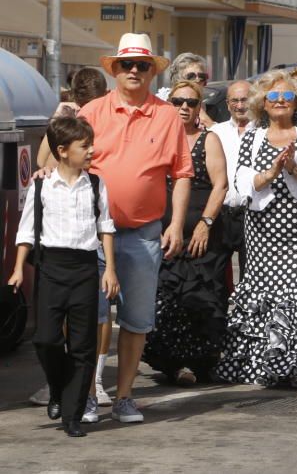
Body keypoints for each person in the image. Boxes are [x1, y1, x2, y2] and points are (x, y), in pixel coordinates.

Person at [76, 33, 192, 424]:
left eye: (142, 65)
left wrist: (176, 223)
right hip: (91, 232)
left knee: (136, 320)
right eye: (127, 64)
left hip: (144, 232)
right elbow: (63, 156)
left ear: (150, 71)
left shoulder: (166, 115)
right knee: (90, 317)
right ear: (115, 70)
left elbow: (182, 173)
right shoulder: (91, 112)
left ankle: (125, 396)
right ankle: (89, 394)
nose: (134, 71)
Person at [215, 71, 297, 386]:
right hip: (262, 232)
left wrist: (293, 167)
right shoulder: (253, 136)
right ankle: (265, 366)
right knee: (265, 293)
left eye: (286, 96)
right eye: (273, 96)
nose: (280, 101)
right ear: (263, 103)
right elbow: (242, 182)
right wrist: (271, 172)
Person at [10, 117, 118, 437]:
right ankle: (58, 387)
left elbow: (106, 227)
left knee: (83, 345)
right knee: (46, 339)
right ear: (62, 151)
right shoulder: (41, 185)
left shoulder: (96, 184)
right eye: (84, 146)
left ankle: (72, 416)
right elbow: (26, 230)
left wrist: (110, 268)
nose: (91, 151)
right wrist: (18, 268)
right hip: (51, 268)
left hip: (85, 267)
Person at [142, 81, 229, 386]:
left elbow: (220, 185)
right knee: (167, 299)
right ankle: (174, 363)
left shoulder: (209, 140)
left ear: (198, 108)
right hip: (165, 233)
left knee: (203, 299)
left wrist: (206, 222)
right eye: (178, 101)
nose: (184, 107)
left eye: (191, 103)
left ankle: (200, 361)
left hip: (202, 234)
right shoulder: (158, 138)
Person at [209, 81, 254, 277]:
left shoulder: (264, 132)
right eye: (234, 100)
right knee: (215, 275)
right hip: (221, 214)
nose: (240, 105)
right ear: (227, 104)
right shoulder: (216, 132)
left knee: (251, 276)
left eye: (244, 100)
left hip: (252, 215)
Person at [160, 53, 214, 129]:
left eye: (202, 77)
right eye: (191, 76)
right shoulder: (163, 105)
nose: (197, 80)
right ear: (177, 80)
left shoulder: (214, 109)